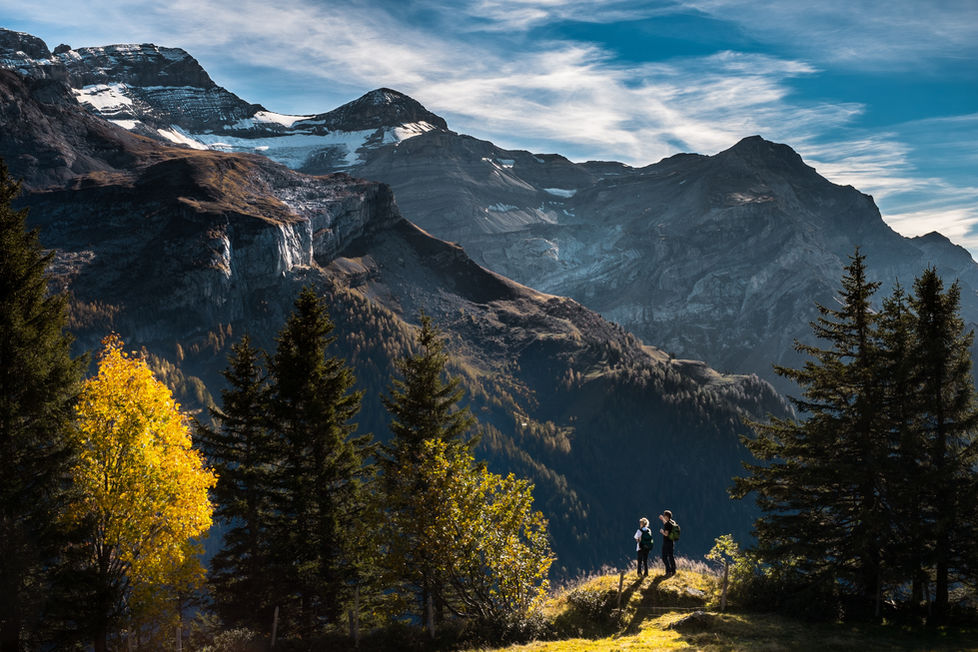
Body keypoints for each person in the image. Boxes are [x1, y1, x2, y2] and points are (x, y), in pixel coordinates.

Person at [659, 510, 677, 576]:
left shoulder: (667, 525)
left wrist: (662, 532)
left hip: (666, 543)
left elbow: (666, 534)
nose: (664, 516)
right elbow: (666, 524)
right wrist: (662, 519)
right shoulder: (672, 522)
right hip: (671, 542)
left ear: (667, 516)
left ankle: (668, 571)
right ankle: (673, 570)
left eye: (664, 516)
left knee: (664, 557)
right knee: (671, 556)